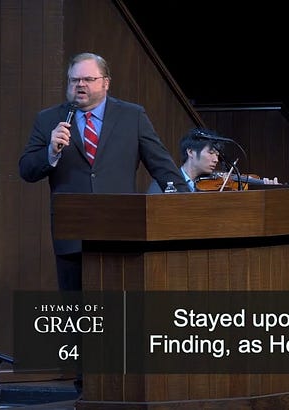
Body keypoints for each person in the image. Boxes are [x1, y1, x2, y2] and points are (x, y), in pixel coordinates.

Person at [18, 52, 188, 392]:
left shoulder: (132, 116)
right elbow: (27, 169)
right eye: (74, 80)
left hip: (121, 231)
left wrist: (185, 202)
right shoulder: (50, 119)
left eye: (87, 79)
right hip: (72, 233)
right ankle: (88, 387)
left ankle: (125, 381)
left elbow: (163, 167)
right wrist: (51, 152)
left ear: (105, 83)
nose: (79, 86)